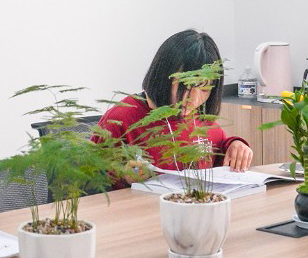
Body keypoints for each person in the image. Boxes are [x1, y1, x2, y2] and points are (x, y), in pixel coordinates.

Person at [96, 29, 254, 173]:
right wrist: (124, 176)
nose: (194, 99)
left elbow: (218, 151)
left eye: (205, 89)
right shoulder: (120, 119)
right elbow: (90, 179)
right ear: (163, 77)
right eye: (187, 87)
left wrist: (234, 145)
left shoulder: (200, 119)